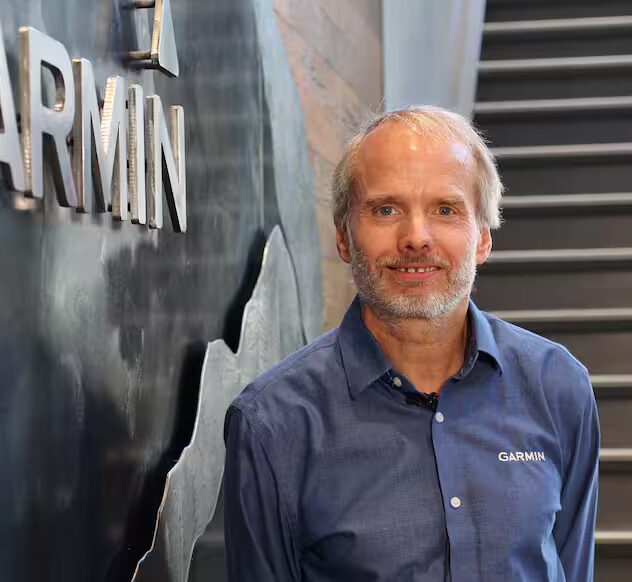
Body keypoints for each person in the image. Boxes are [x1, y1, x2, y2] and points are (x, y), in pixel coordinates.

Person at [222, 106, 599, 581]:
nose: (416, 238)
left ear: (482, 237)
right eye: (386, 210)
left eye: (445, 209)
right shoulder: (271, 423)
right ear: (344, 238)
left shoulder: (558, 387)